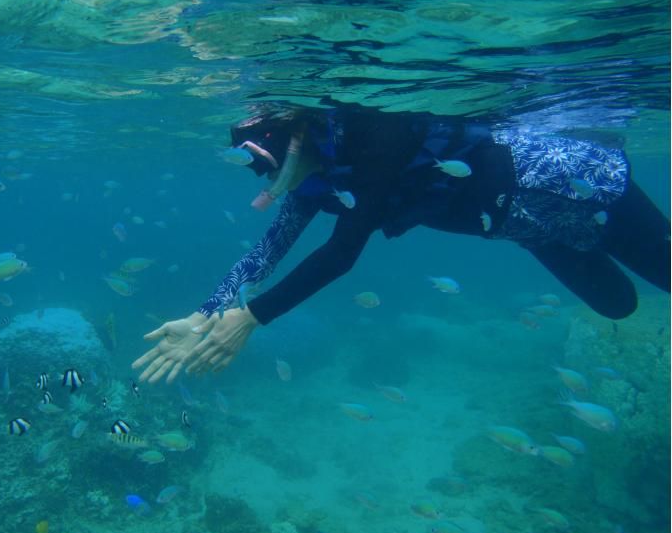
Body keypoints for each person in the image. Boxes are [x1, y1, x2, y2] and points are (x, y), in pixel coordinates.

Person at [132, 103, 670, 384]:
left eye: (263, 162)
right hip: (530, 231)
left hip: (578, 186)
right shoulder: (317, 181)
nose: (260, 177)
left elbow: (342, 253)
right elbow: (266, 253)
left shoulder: (373, 132)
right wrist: (207, 312)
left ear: (293, 139)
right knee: (618, 304)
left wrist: (250, 318)